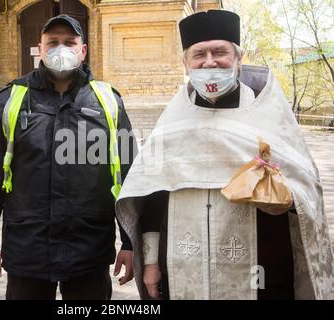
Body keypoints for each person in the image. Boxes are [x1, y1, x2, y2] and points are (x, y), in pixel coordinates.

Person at [115, 10, 333, 300]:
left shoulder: (269, 115)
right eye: (199, 54)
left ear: (238, 58)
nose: (209, 62)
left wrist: (285, 196)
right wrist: (152, 263)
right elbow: (152, 200)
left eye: (220, 51)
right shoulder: (172, 122)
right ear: (185, 63)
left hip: (262, 271)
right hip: (182, 270)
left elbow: (306, 194)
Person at [0, 14, 137, 300]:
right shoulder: (12, 99)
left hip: (89, 251)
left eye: (70, 42)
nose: (62, 49)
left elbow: (130, 174)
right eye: (53, 42)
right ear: (41, 49)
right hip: (28, 251)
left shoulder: (108, 100)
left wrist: (131, 242)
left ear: (83, 50)